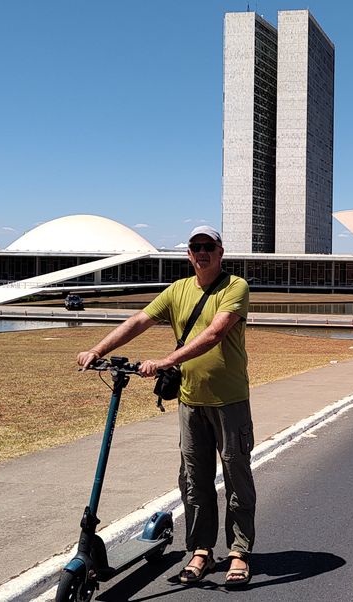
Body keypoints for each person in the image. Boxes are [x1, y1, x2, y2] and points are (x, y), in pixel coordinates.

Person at [76, 225, 255, 587]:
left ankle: (238, 552)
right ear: (188, 254)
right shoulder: (177, 290)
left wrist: (166, 360)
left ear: (220, 253)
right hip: (190, 401)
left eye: (209, 246)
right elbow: (140, 320)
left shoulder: (235, 287)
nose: (202, 252)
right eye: (195, 247)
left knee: (237, 475)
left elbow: (215, 333)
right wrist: (98, 350)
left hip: (229, 400)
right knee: (193, 479)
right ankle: (201, 550)